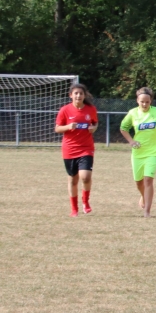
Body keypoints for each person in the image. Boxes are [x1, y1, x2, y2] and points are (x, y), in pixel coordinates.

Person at [119, 87, 156, 218]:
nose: (145, 104)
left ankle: (147, 211)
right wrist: (131, 141)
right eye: (142, 102)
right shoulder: (132, 113)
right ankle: (143, 196)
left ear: (151, 100)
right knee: (138, 182)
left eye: (147, 102)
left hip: (153, 151)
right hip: (138, 152)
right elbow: (123, 128)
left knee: (148, 180)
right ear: (137, 100)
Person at [54, 82, 99, 216]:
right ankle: (74, 208)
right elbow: (57, 128)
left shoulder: (91, 109)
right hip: (69, 149)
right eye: (76, 93)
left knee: (85, 177)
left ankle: (85, 202)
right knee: (73, 180)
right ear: (71, 95)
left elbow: (95, 122)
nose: (78, 96)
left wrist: (94, 128)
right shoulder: (65, 110)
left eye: (81, 93)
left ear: (84, 96)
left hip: (86, 148)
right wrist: (68, 127)